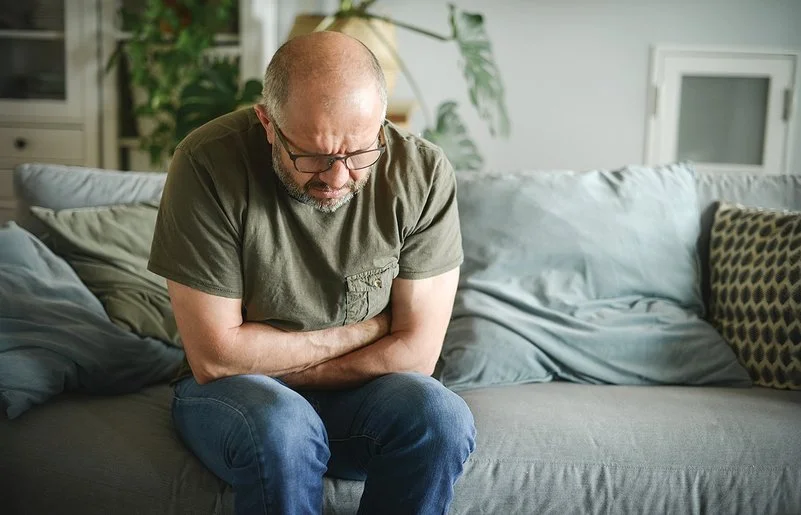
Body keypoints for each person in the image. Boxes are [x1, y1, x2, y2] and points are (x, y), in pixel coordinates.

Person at [147, 30, 476, 515]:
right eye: (314, 155)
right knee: (283, 425)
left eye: (359, 152)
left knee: (440, 417)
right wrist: (363, 334)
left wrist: (271, 356)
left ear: (381, 125)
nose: (337, 177)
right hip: (237, 399)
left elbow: (417, 353)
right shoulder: (206, 164)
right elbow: (216, 356)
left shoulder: (421, 173)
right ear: (267, 122)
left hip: (363, 398)